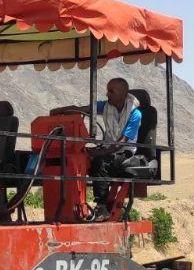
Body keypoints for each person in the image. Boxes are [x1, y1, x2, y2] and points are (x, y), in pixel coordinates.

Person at [52, 78, 141, 219]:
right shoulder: (105, 106)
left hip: (125, 153)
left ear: (123, 93)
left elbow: (121, 143)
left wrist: (97, 152)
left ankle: (102, 206)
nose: (107, 94)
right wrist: (61, 111)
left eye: (111, 91)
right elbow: (83, 109)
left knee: (100, 163)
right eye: (108, 90)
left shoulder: (135, 114)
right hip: (108, 149)